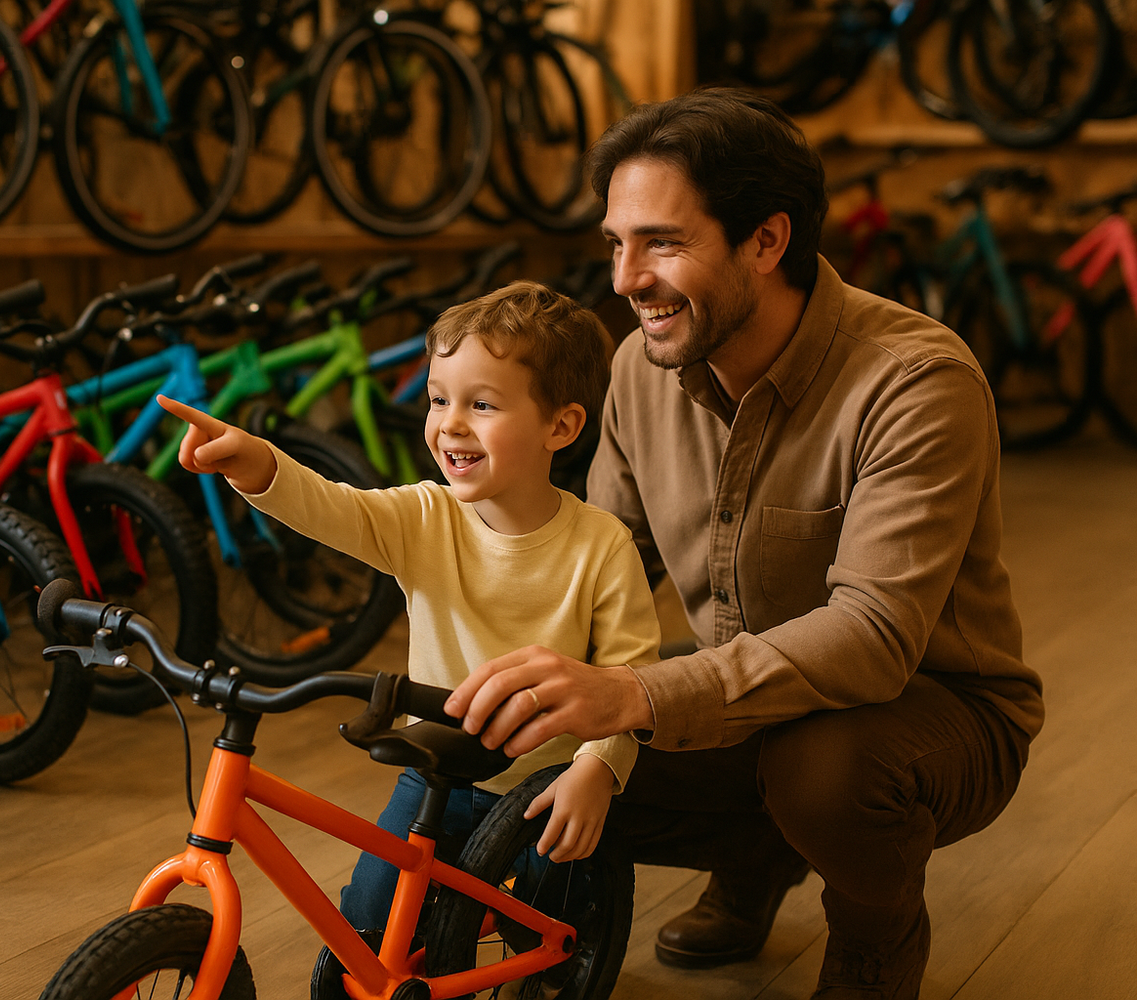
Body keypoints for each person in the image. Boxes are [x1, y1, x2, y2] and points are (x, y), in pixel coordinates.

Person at [443, 89, 1044, 1000]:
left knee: (823, 771)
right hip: (750, 694)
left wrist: (634, 692)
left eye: (663, 243)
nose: (624, 279)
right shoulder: (638, 369)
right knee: (529, 749)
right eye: (617, 242)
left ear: (766, 241)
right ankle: (760, 858)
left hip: (934, 715)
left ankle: (876, 939)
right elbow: (605, 556)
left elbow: (874, 638)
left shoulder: (917, 382)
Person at [156, 279, 661, 932]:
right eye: (438, 399)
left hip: (549, 780)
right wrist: (257, 464)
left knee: (547, 925)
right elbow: (331, 506)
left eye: (481, 404)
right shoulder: (425, 516)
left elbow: (631, 676)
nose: (449, 423)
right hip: (435, 772)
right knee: (368, 920)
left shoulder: (601, 546)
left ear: (559, 426)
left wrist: (598, 770)